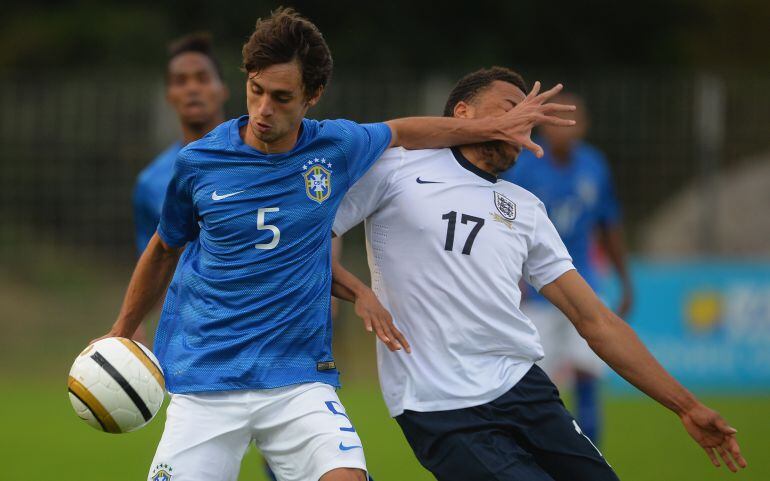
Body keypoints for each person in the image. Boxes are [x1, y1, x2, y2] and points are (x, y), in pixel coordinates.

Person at [94, 8, 574, 481]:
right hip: (204, 380)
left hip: (298, 380)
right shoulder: (199, 162)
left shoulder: (336, 148)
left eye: (282, 98)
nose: (264, 110)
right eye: (256, 90)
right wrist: (122, 329)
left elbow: (408, 130)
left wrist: (492, 126)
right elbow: (162, 250)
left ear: (313, 95)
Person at [331, 66, 746, 481]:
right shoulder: (396, 170)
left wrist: (686, 406)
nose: (525, 120)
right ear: (462, 112)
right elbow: (312, 237)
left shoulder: (525, 208)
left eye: (530, 115)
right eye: (512, 108)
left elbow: (596, 321)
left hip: (524, 389)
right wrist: (357, 292)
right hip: (439, 406)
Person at [498, 93, 632, 444]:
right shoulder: (524, 164)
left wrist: (625, 281)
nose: (567, 130)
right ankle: (534, 450)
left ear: (584, 126)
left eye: (576, 122)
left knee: (588, 372)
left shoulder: (594, 165)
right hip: (534, 292)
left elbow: (609, 224)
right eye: (561, 123)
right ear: (546, 127)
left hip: (581, 284)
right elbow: (501, 226)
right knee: (534, 381)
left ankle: (591, 453)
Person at [131, 33, 228, 346]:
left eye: (202, 78)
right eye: (180, 81)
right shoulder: (151, 182)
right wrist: (136, 321)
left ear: (222, 89)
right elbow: (157, 259)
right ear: (169, 95)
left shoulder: (260, 158)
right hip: (192, 333)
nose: (192, 88)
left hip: (261, 317)